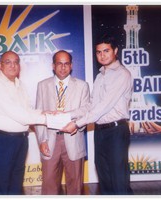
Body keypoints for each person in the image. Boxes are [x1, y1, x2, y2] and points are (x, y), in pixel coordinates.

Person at [61, 34, 133, 195]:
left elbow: (102, 107)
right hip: (100, 131)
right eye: (99, 52)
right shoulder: (101, 76)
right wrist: (67, 114)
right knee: (105, 177)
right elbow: (91, 105)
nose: (102, 55)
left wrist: (77, 124)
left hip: (115, 131)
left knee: (118, 179)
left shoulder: (122, 74)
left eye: (106, 51)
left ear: (115, 51)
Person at [0, 50, 47, 195]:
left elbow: (28, 110)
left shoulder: (20, 85)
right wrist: (46, 119)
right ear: (0, 65)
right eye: (8, 62)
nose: (13, 65)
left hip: (19, 141)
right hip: (0, 142)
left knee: (15, 185)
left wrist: (46, 113)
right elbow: (19, 114)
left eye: (16, 62)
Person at [35, 50, 90, 195]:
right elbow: (38, 115)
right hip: (50, 140)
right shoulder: (42, 85)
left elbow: (86, 110)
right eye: (59, 63)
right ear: (53, 65)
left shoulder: (82, 86)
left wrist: (71, 119)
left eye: (66, 64)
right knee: (49, 186)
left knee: (75, 186)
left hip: (73, 137)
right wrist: (42, 140)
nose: (63, 67)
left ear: (71, 66)